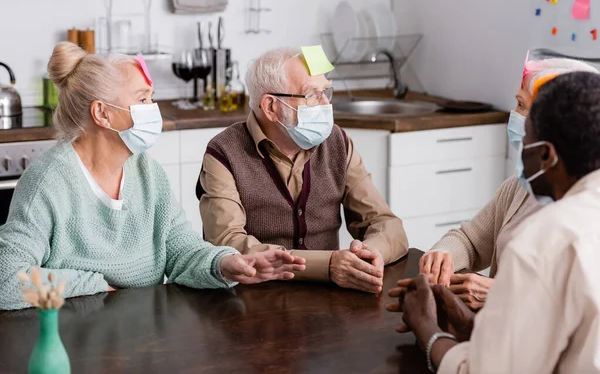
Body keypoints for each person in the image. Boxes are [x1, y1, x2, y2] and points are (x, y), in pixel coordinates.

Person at [0, 42, 306, 311]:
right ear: (102, 113)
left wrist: (224, 264)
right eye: (143, 99)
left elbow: (179, 249)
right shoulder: (48, 182)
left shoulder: (148, 172)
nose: (154, 109)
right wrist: (93, 284)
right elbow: (6, 280)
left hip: (140, 336)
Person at [388, 71, 600, 373]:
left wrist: (427, 328)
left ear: (547, 155)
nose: (519, 145)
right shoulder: (528, 195)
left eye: (527, 137)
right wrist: (477, 327)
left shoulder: (544, 239)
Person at [197, 47, 408, 294]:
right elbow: (227, 243)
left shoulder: (337, 143)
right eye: (312, 95)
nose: (326, 104)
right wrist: (326, 266)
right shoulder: (224, 152)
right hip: (252, 299)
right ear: (271, 107)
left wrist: (372, 254)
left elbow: (385, 223)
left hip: (332, 297)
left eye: (325, 91)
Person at [419, 55, 599, 310]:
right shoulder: (520, 187)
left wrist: (501, 294)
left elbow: (576, 305)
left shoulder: (586, 212)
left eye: (521, 104)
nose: (514, 115)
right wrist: (442, 256)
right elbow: (470, 240)